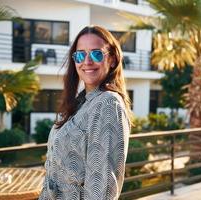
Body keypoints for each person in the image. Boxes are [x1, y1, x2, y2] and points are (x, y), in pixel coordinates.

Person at [39, 25, 132, 200]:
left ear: (112, 59)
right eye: (80, 55)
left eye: (96, 54)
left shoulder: (108, 103)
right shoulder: (79, 102)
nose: (87, 61)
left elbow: (101, 189)